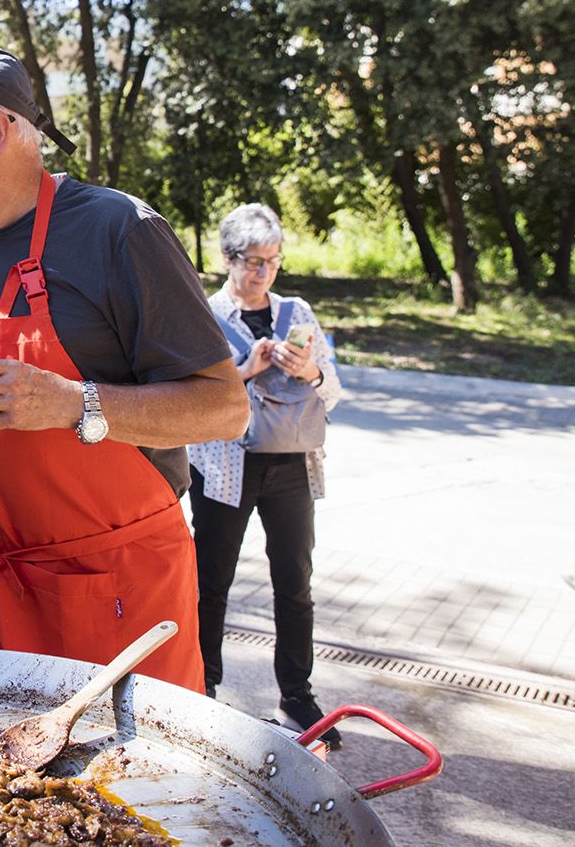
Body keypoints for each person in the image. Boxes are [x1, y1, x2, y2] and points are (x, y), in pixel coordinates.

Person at [0, 44, 247, 691]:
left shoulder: (118, 231)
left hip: (115, 596)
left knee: (122, 788)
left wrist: (75, 403)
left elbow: (224, 407)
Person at [188, 203, 344, 747]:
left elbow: (335, 390)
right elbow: (188, 395)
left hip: (290, 465)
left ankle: (297, 695)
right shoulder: (205, 315)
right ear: (229, 260)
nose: (264, 272)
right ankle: (202, 687)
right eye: (254, 261)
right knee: (210, 583)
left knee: (294, 583)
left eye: (273, 261)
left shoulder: (296, 313)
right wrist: (247, 369)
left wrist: (313, 370)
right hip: (225, 466)